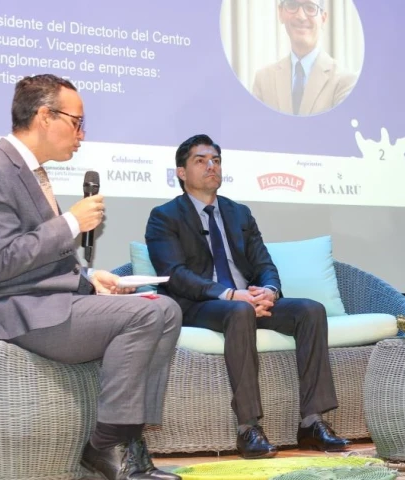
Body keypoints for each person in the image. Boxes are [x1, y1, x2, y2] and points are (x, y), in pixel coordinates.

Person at [0, 74, 182, 480]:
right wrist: (70, 223)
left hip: (41, 301)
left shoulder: (29, 171)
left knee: (164, 309)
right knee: (147, 314)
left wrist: (90, 278)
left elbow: (37, 260)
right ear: (44, 116)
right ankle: (107, 445)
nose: (81, 135)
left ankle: (126, 439)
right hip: (7, 311)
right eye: (77, 122)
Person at [145, 134, 350, 459]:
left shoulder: (238, 213)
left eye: (215, 160)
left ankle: (312, 421)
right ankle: (248, 427)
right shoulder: (165, 216)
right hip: (198, 305)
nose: (211, 166)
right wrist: (229, 293)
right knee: (239, 312)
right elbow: (175, 275)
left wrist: (268, 290)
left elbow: (264, 263)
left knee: (310, 310)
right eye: (200, 160)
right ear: (181, 173)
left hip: (246, 299)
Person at [252, 0, 357, 116]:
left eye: (310, 7)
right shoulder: (263, 80)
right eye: (292, 5)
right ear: (280, 13)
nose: (301, 16)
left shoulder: (344, 82)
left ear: (323, 18)